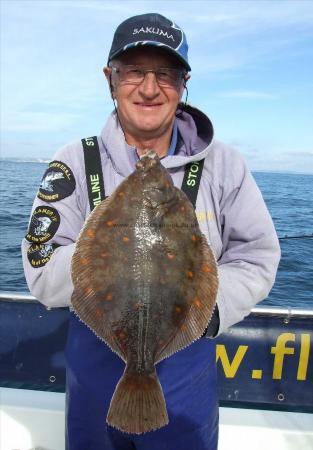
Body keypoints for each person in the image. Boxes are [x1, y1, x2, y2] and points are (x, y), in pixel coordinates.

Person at [22, 12, 281, 450]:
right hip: (92, 382)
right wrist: (100, 246)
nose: (148, 87)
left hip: (187, 374)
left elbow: (257, 257)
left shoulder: (225, 166)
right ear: (110, 79)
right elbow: (42, 271)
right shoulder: (73, 162)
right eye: (134, 72)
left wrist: (202, 312)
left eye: (165, 74)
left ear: (184, 83)